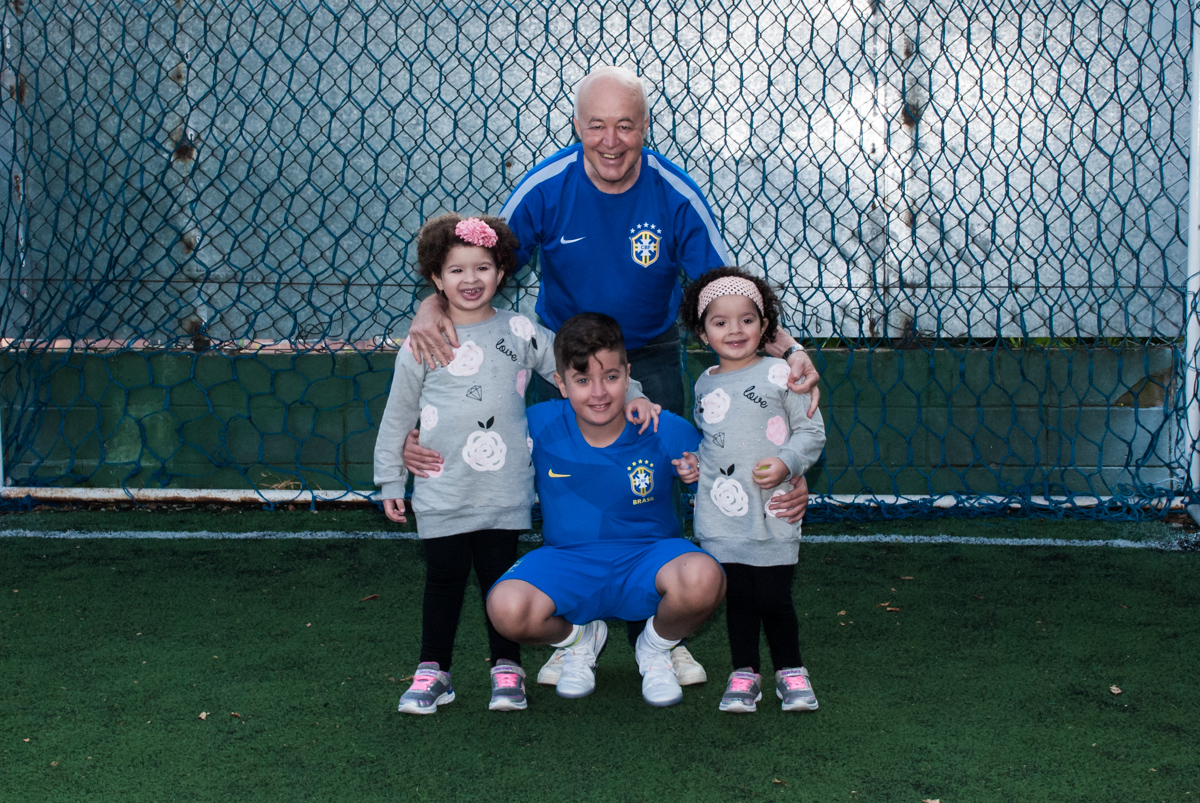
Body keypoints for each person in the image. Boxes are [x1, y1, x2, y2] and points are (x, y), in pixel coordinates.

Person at [401, 65, 821, 681]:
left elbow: (725, 291)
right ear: (577, 127)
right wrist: (432, 304)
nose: (611, 140)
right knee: (552, 478)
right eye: (597, 125)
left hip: (648, 352)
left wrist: (789, 352)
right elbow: (479, 260)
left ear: (645, 128)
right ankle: (575, 622)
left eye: (625, 125)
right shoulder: (545, 188)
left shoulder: (675, 195)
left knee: (669, 476)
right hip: (563, 360)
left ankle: (662, 632)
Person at [374, 214, 660, 715]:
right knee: (443, 579)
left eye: (482, 267)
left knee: (499, 581)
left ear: (502, 271)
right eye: (456, 270)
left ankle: (507, 668)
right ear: (436, 278)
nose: (470, 279)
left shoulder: (520, 330)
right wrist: (389, 479)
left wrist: (632, 392)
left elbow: (573, 366)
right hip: (441, 486)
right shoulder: (423, 339)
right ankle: (433, 671)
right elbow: (398, 413)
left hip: (503, 489)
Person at [485, 313, 724, 708]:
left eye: (611, 377)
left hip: (649, 559)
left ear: (628, 376)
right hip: (569, 560)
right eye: (582, 380)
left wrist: (784, 478)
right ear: (561, 384)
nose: (598, 392)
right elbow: (472, 443)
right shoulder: (536, 425)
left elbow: (729, 473)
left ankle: (655, 648)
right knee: (506, 607)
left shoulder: (663, 428)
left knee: (704, 577)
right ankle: (579, 641)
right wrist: (418, 446)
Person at [677, 268, 826, 713]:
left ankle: (791, 671)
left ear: (764, 326)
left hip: (773, 510)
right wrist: (694, 465)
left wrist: (786, 462)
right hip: (721, 514)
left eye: (746, 319)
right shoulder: (705, 382)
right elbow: (714, 441)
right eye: (720, 322)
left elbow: (811, 432)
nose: (735, 330)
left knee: (774, 598)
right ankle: (744, 673)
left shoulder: (781, 374)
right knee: (739, 599)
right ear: (702, 333)